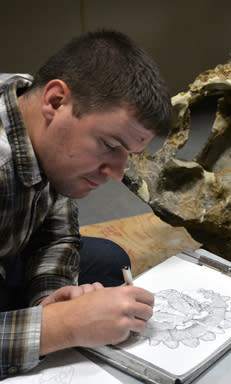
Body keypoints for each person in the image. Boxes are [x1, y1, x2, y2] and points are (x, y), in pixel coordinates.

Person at [0, 30, 172, 378]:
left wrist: (48, 301)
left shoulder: (35, 115)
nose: (116, 173)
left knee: (109, 262)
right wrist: (61, 326)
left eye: (128, 155)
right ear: (56, 101)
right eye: (110, 145)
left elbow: (56, 236)